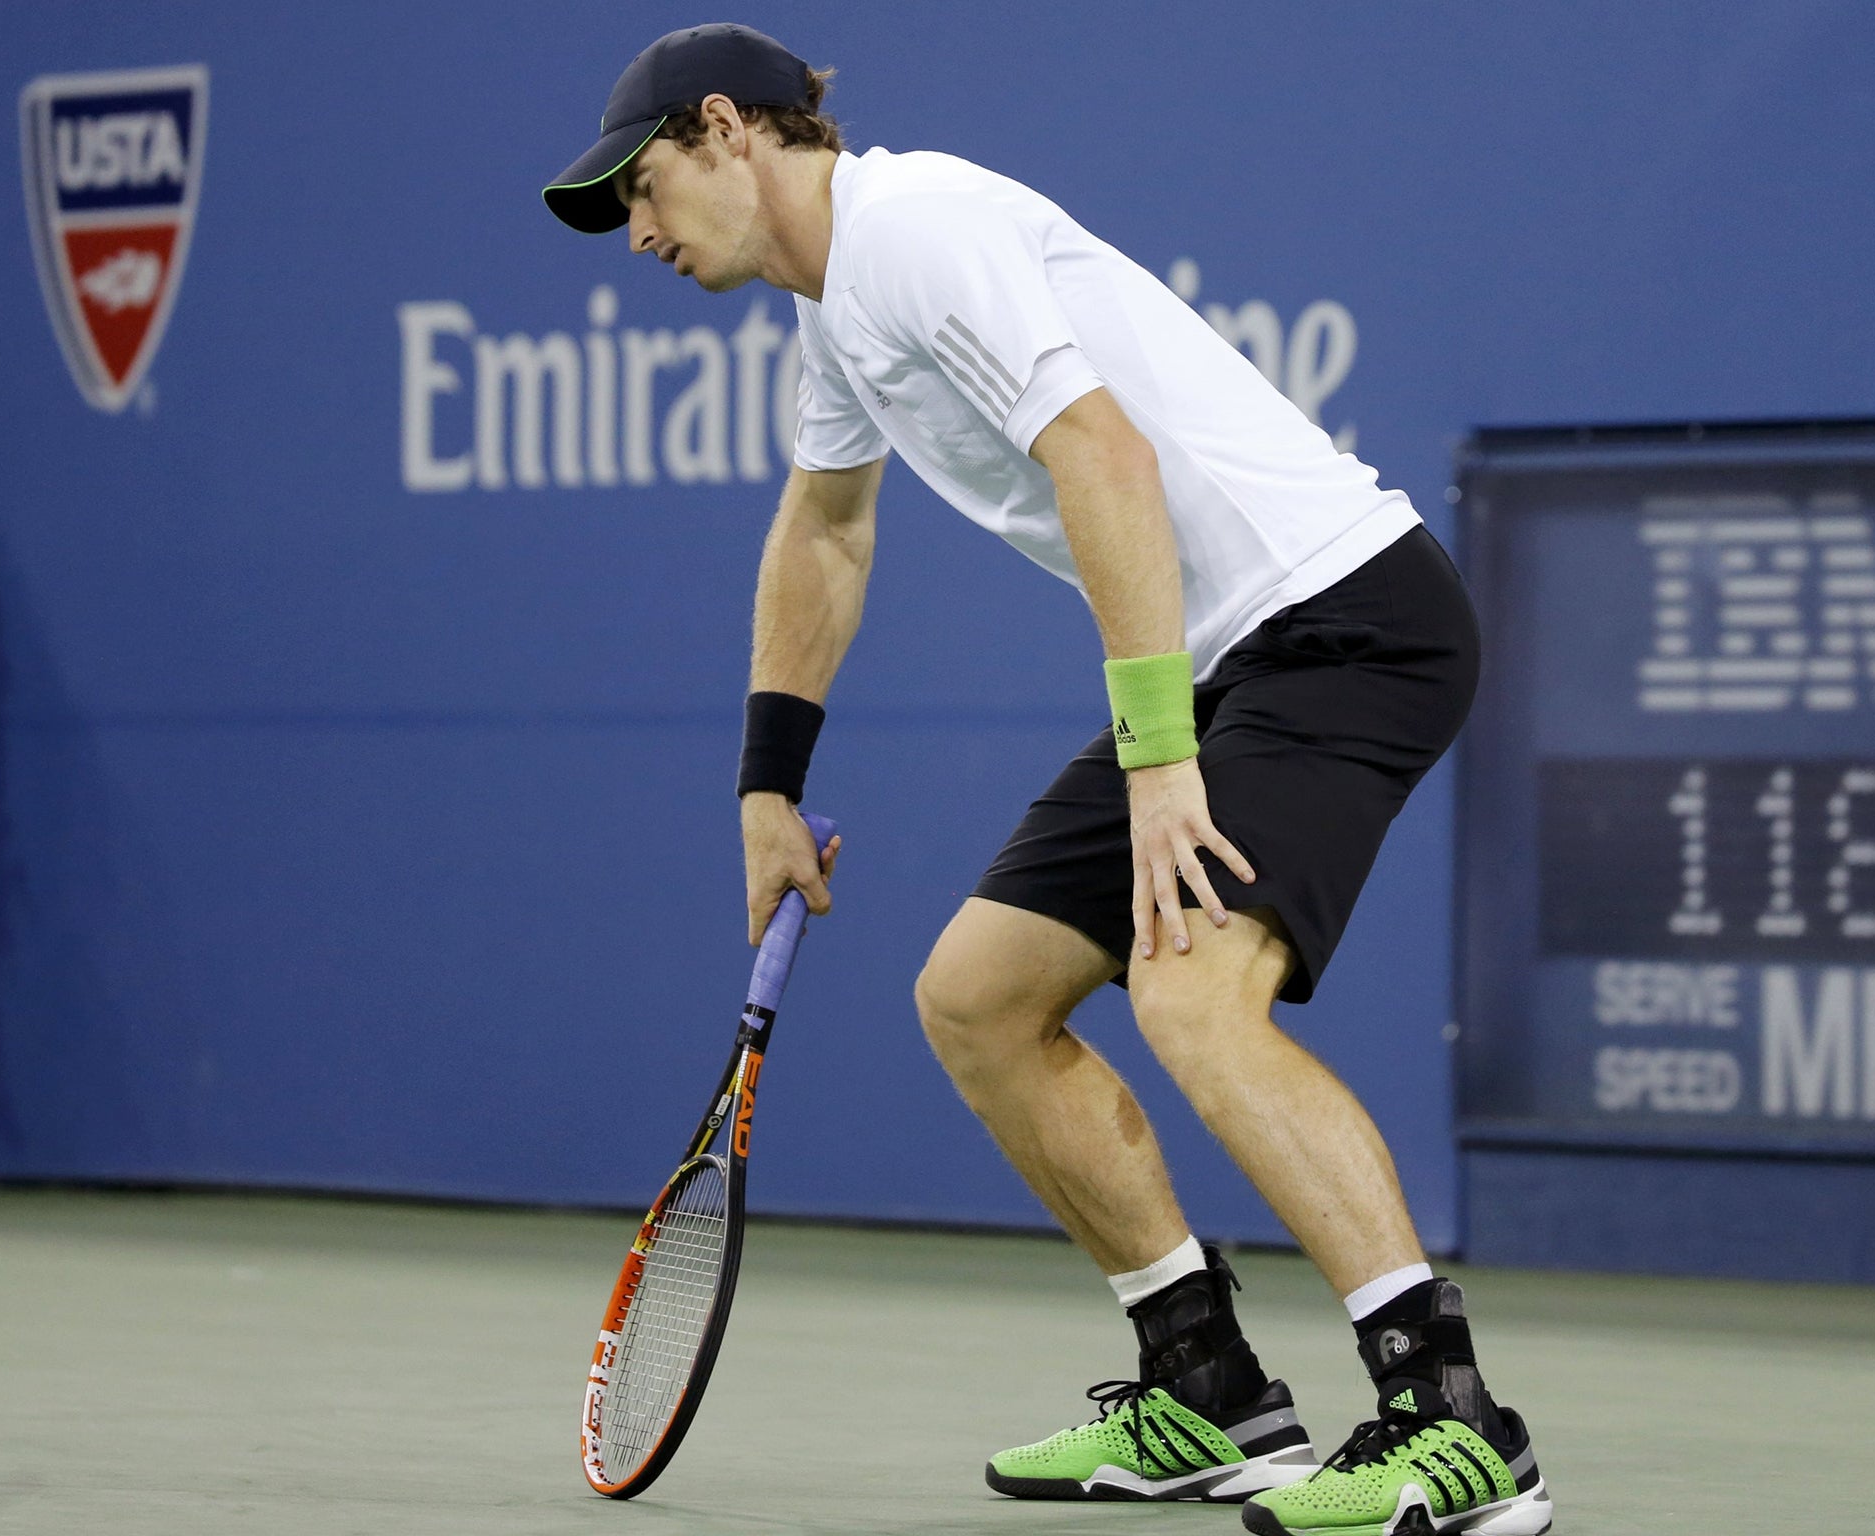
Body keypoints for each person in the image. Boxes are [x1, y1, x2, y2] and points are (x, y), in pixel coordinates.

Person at [544, 23, 1552, 1535]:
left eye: (642, 184)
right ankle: (1205, 1381)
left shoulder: (917, 231)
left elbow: (1105, 458)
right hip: (1224, 663)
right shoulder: (839, 320)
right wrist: (768, 784)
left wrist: (1159, 761)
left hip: (1345, 621)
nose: (636, 231)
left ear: (725, 131)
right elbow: (823, 531)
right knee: (979, 998)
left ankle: (1453, 1419)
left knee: (1192, 996)